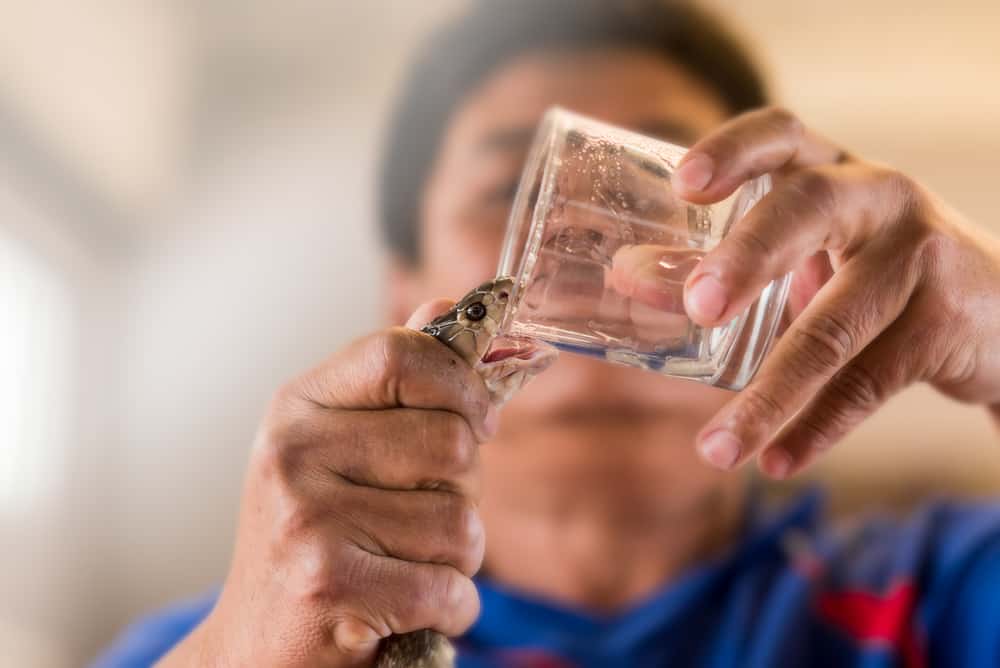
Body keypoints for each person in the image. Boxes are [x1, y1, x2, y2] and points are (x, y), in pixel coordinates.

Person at [95, 2, 1000, 666]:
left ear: (784, 241)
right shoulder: (221, 648)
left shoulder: (941, 595)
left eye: (671, 196)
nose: (603, 259)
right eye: (508, 196)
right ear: (402, 293)